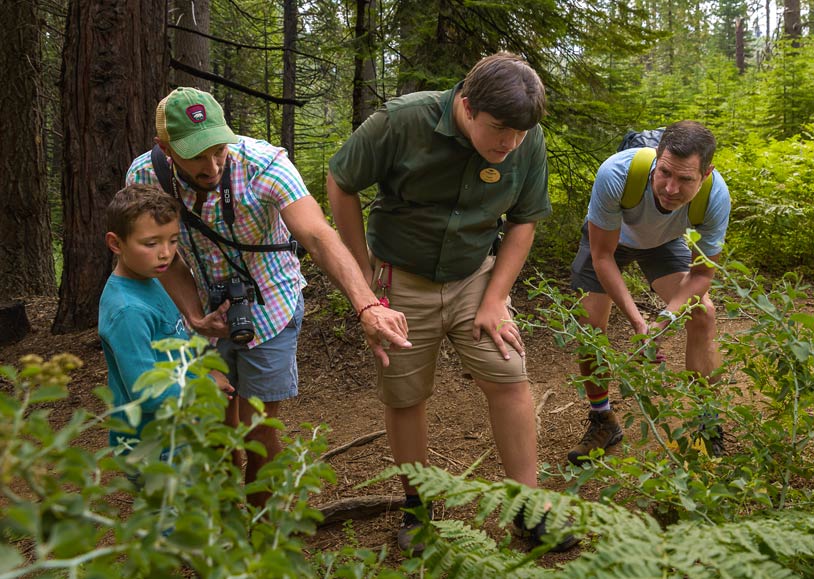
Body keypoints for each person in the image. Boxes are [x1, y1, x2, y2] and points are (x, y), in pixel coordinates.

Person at [327, 52, 575, 552]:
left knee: (508, 373)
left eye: (519, 133)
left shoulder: (526, 138)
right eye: (499, 128)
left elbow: (525, 219)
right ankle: (418, 506)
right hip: (400, 278)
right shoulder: (403, 121)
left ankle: (528, 508)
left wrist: (496, 297)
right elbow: (341, 180)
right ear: (466, 104)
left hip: (475, 277)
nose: (509, 143)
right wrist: (363, 269)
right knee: (406, 394)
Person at [126, 87, 410, 507]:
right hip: (205, 307)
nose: (212, 164)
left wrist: (366, 303)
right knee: (217, 424)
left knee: (259, 428)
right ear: (165, 148)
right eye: (197, 155)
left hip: (272, 301)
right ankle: (226, 523)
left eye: (219, 149)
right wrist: (193, 314)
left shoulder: (263, 164)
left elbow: (317, 234)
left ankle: (261, 525)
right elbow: (159, 257)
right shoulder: (145, 179)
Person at [567, 120, 731, 466]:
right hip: (610, 240)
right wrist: (640, 323)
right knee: (589, 323)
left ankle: (706, 419)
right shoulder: (616, 173)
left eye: (685, 179)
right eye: (665, 173)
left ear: (706, 173)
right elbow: (602, 256)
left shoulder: (716, 196)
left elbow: (702, 274)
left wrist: (665, 320)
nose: (671, 188)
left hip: (663, 243)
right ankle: (603, 420)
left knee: (702, 313)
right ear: (656, 159)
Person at [99, 184, 234, 451]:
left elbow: (174, 349)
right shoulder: (128, 311)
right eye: (151, 243)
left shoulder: (152, 280)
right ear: (116, 243)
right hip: (152, 446)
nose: (165, 253)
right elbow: (146, 392)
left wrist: (202, 373)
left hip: (178, 433)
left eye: (173, 240)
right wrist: (205, 384)